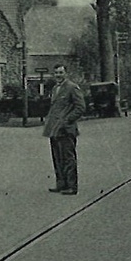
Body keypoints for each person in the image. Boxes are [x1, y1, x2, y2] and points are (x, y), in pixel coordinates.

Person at [42, 64, 85, 195]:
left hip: (66, 130)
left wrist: (67, 120)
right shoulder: (55, 88)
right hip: (54, 130)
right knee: (57, 157)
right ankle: (61, 183)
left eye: (61, 72)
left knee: (68, 158)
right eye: (56, 73)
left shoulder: (72, 88)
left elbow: (80, 107)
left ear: (66, 73)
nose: (58, 75)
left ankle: (72, 186)